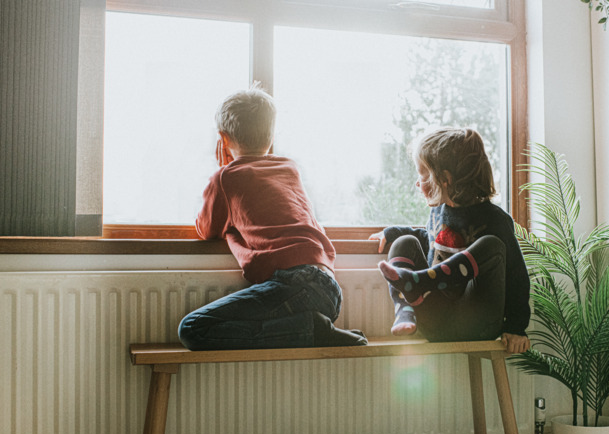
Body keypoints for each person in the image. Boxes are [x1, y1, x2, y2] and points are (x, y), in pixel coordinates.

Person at [178, 84, 366, 351]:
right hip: (329, 287)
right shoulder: (289, 168)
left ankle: (310, 331)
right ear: (272, 134)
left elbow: (207, 230)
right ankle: (310, 327)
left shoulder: (226, 177)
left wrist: (223, 172)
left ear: (223, 139)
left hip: (295, 285)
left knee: (192, 328)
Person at [370, 127, 531, 354]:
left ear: (445, 179)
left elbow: (517, 276)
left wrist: (517, 327)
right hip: (433, 321)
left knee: (492, 246)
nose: (418, 183)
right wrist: (393, 232)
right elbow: (431, 240)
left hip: (477, 322)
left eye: (423, 174)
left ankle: (420, 282)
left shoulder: (495, 220)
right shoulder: (438, 213)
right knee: (403, 242)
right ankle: (406, 308)